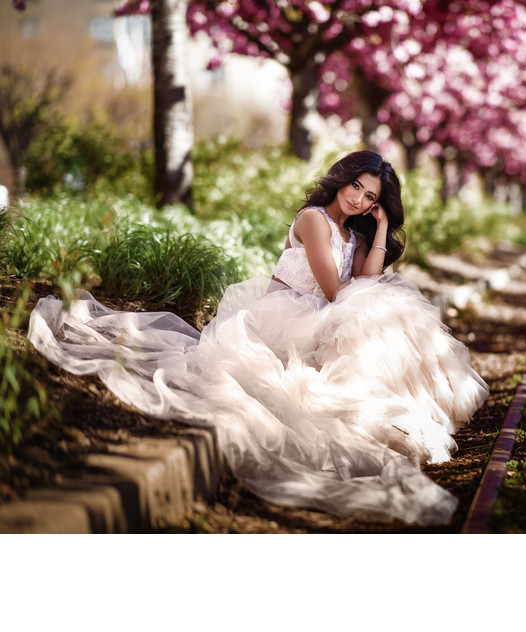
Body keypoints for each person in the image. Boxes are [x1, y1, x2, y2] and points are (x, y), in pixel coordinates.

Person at [28, 150, 489, 526]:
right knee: (383, 309)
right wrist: (368, 298)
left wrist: (383, 227)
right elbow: (335, 290)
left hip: (325, 314)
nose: (360, 200)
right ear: (341, 179)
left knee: (388, 305)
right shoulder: (313, 220)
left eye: (371, 198)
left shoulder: (356, 231)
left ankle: (407, 403)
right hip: (288, 314)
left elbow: (366, 278)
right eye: (357, 188)